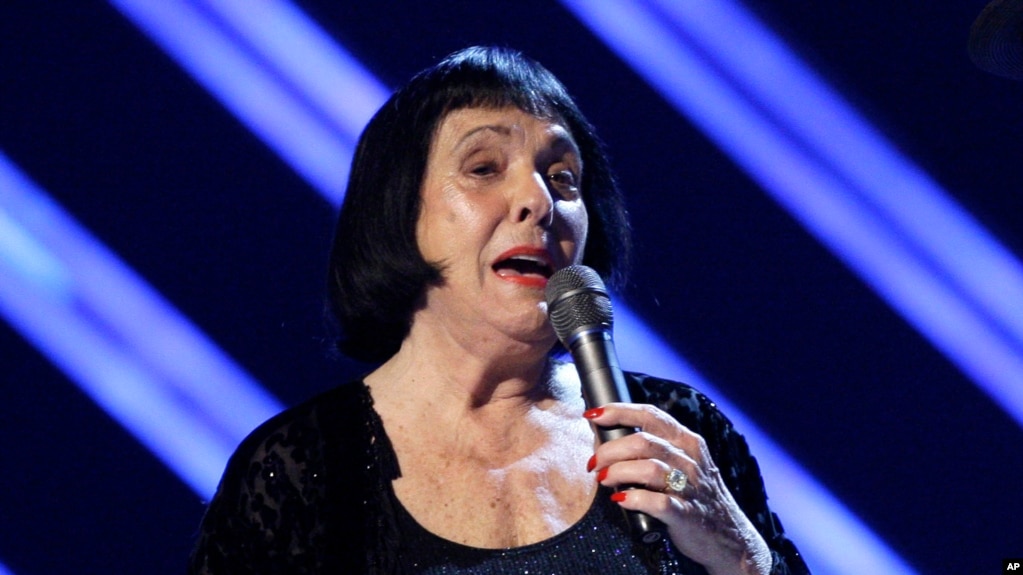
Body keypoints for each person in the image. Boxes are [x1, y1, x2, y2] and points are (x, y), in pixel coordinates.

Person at [188, 45, 810, 574]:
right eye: (484, 168)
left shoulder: (674, 433)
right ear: (401, 214)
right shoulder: (304, 469)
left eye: (563, 179)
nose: (538, 203)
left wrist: (741, 554)